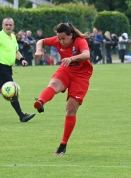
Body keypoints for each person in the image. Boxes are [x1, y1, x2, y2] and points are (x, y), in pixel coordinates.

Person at [34, 23, 93, 155]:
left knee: (70, 109)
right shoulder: (57, 40)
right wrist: (39, 50)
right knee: (53, 85)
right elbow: (41, 41)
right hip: (66, 70)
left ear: (70, 35)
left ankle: (63, 145)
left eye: (63, 39)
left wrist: (71, 58)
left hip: (81, 76)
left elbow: (86, 54)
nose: (60, 41)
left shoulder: (80, 41)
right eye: (58, 38)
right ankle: (41, 102)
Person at [0, 17, 35, 122]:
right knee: (12, 91)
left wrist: (22, 59)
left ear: (13, 26)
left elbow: (16, 51)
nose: (8, 26)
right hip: (1, 67)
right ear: (2, 26)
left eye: (10, 25)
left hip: (8, 68)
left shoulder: (13, 36)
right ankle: (22, 116)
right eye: (6, 24)